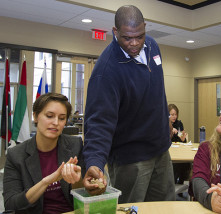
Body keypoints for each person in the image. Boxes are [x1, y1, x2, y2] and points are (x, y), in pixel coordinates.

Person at [82, 5, 175, 203]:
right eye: (127, 38)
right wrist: (95, 162)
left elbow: (158, 90)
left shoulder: (152, 46)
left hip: (160, 149)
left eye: (139, 36)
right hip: (131, 158)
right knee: (131, 209)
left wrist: (165, 118)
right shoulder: (106, 71)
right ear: (115, 32)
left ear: (145, 28)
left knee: (165, 207)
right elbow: (98, 122)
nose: (134, 43)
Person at [3, 93, 85, 214]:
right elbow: (11, 204)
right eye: (49, 116)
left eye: (62, 118)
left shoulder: (75, 145)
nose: (56, 122)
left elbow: (83, 195)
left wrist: (76, 180)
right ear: (35, 117)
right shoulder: (16, 155)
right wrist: (46, 182)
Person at [168, 104, 191, 185]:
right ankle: (173, 184)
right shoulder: (164, 124)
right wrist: (170, 130)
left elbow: (182, 142)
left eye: (175, 114)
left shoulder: (179, 124)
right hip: (170, 152)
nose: (174, 116)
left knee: (186, 163)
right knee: (175, 165)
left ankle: (182, 182)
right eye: (172, 114)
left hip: (179, 150)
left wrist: (183, 139)